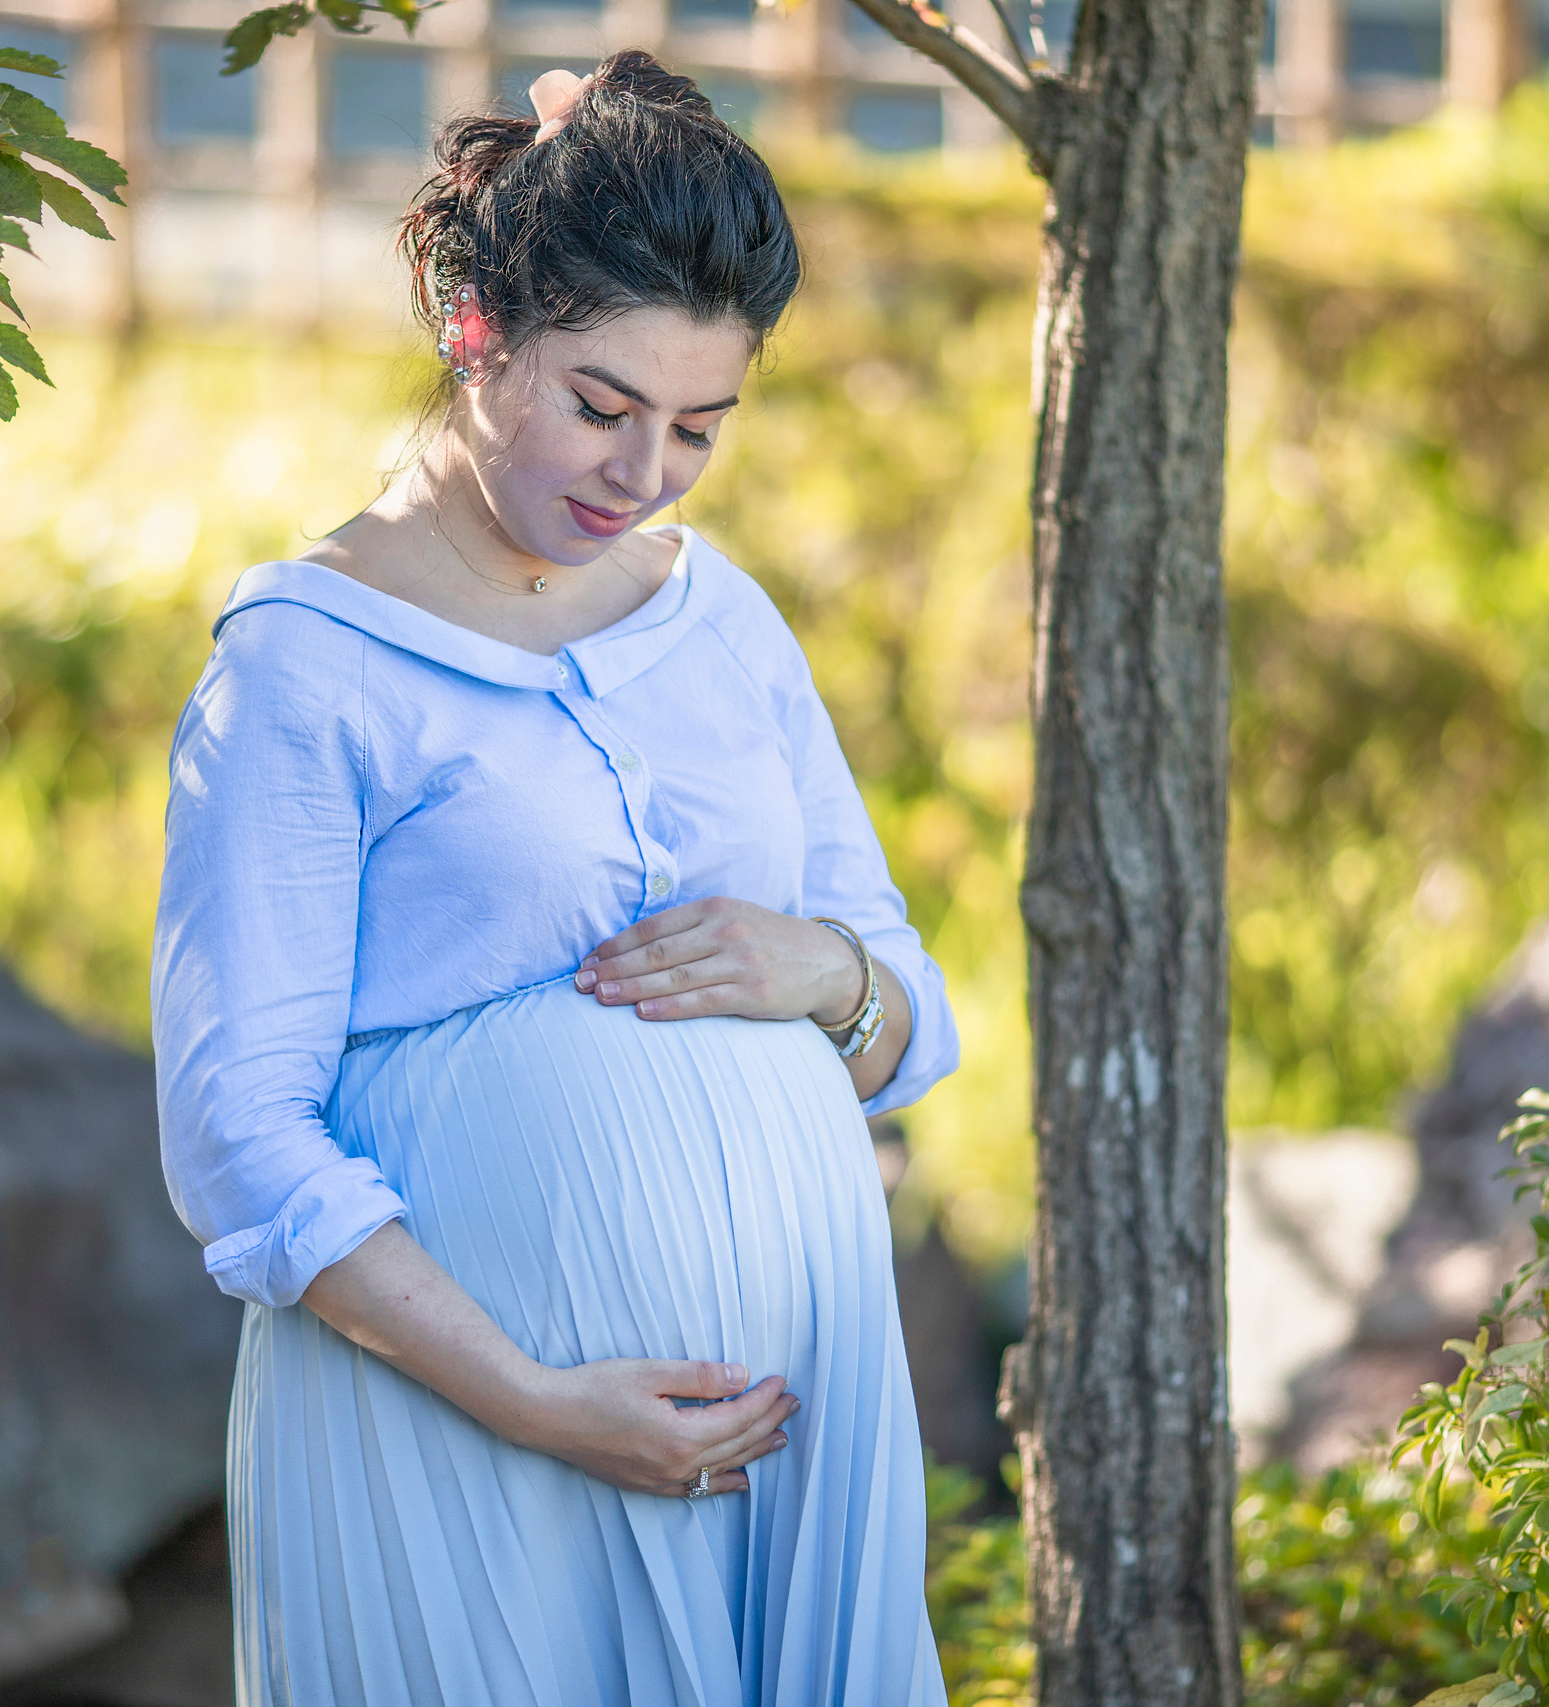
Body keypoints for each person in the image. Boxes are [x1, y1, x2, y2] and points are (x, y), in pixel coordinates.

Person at [152, 50, 960, 1706]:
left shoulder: (720, 618)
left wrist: (820, 973)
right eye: (602, 407)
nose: (646, 472)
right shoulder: (308, 663)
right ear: (474, 331)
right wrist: (534, 1394)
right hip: (468, 1436)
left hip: (798, 1433)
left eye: (699, 429)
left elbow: (907, 1019)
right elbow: (239, 1134)